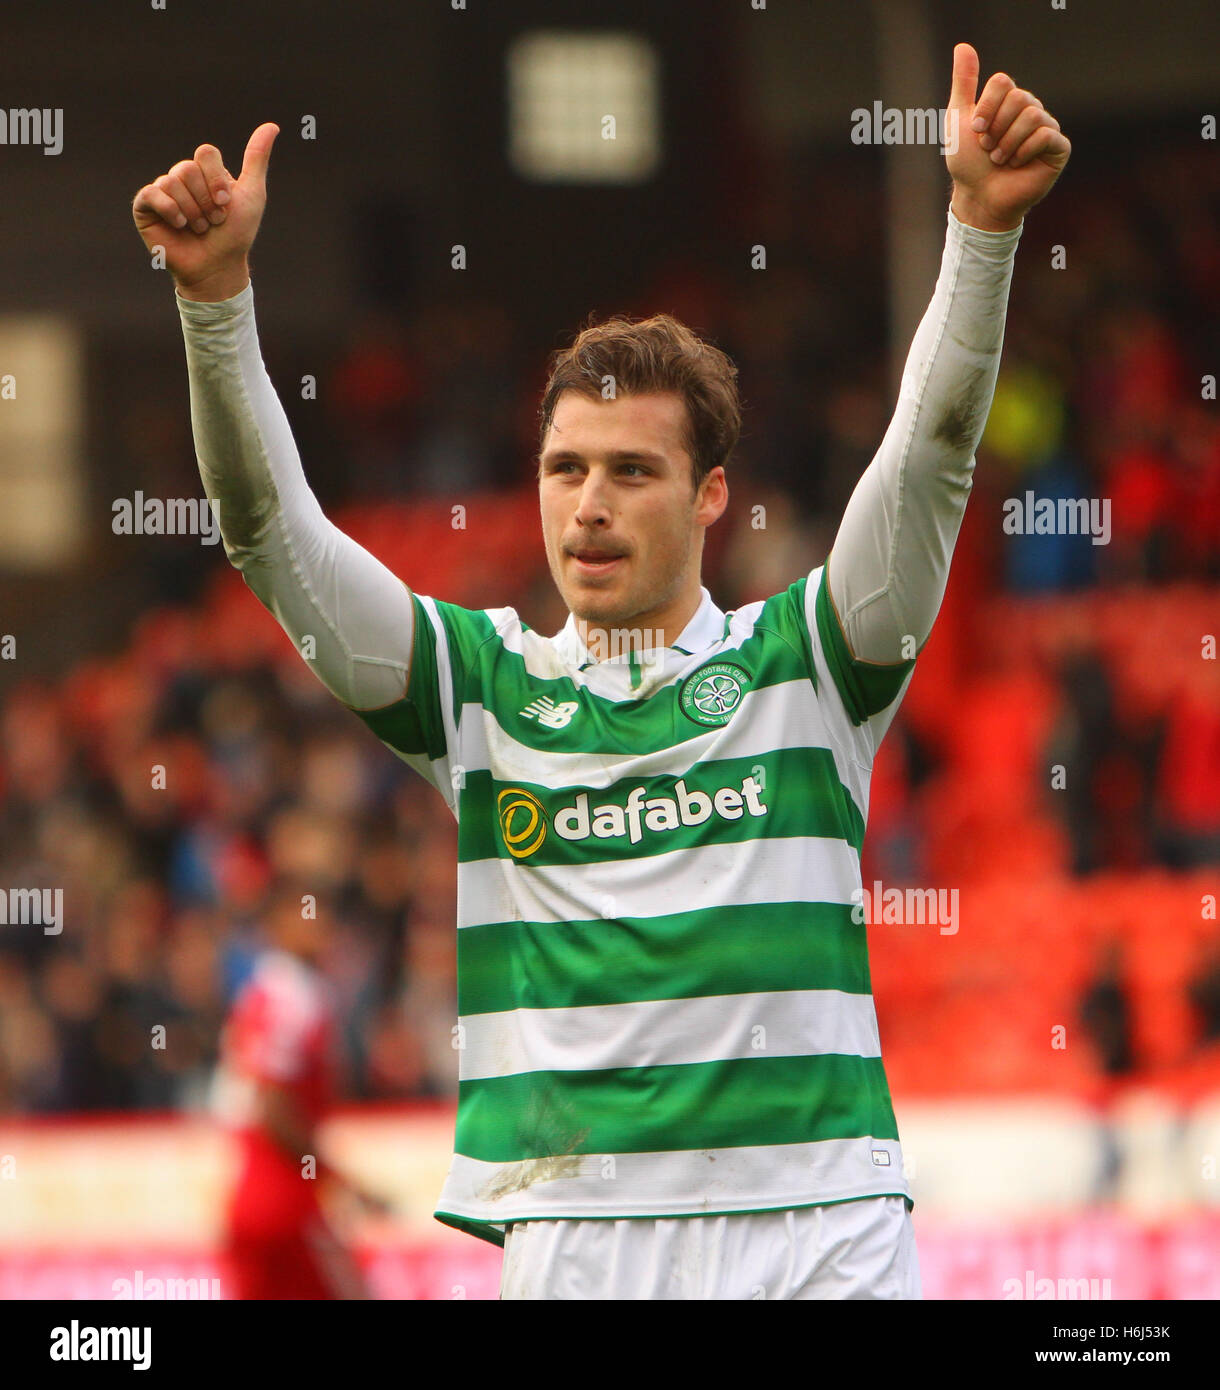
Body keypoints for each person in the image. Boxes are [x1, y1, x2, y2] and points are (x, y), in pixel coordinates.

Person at [134, 43, 1069, 1299]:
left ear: (710, 496)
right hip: (578, 1240)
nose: (588, 504)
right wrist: (214, 303)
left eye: (631, 471)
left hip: (820, 1226)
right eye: (565, 468)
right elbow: (266, 529)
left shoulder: (810, 661)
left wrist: (979, 233)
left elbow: (934, 451)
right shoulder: (479, 691)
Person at [213, 883, 385, 1298]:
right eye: (306, 914)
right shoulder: (298, 995)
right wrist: (335, 1177)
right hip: (285, 1203)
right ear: (276, 925)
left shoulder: (258, 993)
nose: (319, 925)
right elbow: (273, 1105)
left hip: (248, 1200)